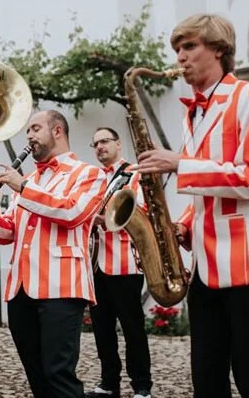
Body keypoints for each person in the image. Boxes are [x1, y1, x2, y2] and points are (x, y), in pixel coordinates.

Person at [132, 14, 249, 398]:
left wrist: (179, 163)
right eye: (177, 49)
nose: (180, 57)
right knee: (207, 380)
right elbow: (207, 191)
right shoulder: (195, 113)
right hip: (206, 271)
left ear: (219, 49)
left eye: (190, 47)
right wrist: (182, 226)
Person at [0, 110, 107, 398]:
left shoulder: (89, 174)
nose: (29, 136)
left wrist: (23, 186)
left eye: (35, 128)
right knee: (36, 374)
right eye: (27, 131)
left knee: (58, 373)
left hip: (61, 286)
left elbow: (72, 212)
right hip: (22, 288)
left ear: (58, 131)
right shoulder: (30, 179)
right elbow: (9, 232)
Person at [85, 127, 152, 398]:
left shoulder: (134, 174)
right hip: (96, 264)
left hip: (125, 263)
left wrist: (107, 218)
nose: (100, 147)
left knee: (133, 328)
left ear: (118, 144)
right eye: (96, 143)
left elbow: (142, 211)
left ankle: (142, 386)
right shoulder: (91, 178)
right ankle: (108, 382)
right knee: (102, 329)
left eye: (105, 141)